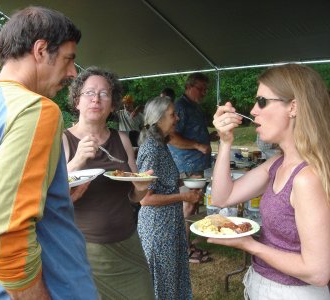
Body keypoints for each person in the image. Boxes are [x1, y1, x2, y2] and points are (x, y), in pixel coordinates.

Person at [0, 7, 98, 299]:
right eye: (68, 58)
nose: (73, 72)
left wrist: (53, 199)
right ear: (40, 50)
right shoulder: (35, 109)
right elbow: (4, 230)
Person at [211, 64, 330, 299]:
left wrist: (250, 245)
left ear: (293, 107)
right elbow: (221, 197)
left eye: (262, 101)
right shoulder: (277, 164)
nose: (253, 110)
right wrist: (225, 142)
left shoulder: (306, 178)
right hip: (264, 285)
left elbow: (318, 272)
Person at [62, 66, 155, 299]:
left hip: (128, 244)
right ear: (77, 101)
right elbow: (48, 194)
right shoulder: (63, 139)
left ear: (113, 105)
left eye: (104, 94)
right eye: (89, 93)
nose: (96, 99)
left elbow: (134, 195)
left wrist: (141, 188)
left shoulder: (121, 139)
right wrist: (76, 161)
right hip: (85, 248)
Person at [137, 96, 203, 299]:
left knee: (172, 279)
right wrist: (184, 197)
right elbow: (145, 199)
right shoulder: (151, 150)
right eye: (173, 114)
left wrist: (185, 184)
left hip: (168, 226)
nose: (177, 118)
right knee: (161, 283)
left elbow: (163, 183)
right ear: (158, 120)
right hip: (158, 229)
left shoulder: (161, 145)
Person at [167, 72, 218, 262]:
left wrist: (209, 137)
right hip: (186, 165)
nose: (204, 93)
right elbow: (172, 137)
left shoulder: (194, 107)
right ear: (189, 86)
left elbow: (191, 133)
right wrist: (197, 145)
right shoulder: (181, 107)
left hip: (197, 166)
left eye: (206, 89)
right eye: (201, 88)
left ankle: (189, 243)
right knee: (188, 205)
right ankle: (182, 250)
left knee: (194, 204)